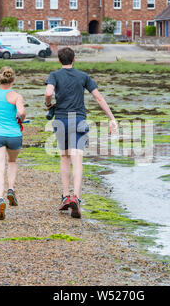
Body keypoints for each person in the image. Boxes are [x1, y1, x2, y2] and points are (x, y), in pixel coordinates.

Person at [45, 47, 117, 219]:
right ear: (74, 59)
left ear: (59, 60)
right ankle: (76, 197)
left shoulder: (54, 75)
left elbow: (48, 92)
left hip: (61, 119)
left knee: (64, 157)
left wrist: (48, 104)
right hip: (79, 119)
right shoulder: (83, 76)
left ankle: (65, 196)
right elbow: (99, 98)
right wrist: (112, 118)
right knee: (78, 159)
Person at [0, 67, 26, 221]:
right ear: (13, 80)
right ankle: (11, 189)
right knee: (12, 161)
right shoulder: (16, 96)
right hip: (14, 135)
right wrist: (20, 117)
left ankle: (0, 199)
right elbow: (21, 113)